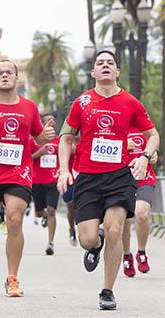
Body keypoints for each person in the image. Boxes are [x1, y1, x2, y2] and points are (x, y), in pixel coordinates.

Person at [57, 50, 159, 310]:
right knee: (88, 239)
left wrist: (145, 156)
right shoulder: (81, 103)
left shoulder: (130, 102)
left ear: (116, 72)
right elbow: (66, 138)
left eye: (110, 63)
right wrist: (64, 169)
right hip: (88, 178)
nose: (105, 66)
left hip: (118, 177)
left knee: (116, 230)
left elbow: (153, 134)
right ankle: (96, 244)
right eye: (100, 63)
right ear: (93, 72)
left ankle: (107, 291)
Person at [0, 59, 55, 297]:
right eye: (0, 73)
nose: (5, 75)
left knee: (15, 218)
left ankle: (12, 278)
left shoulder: (29, 107)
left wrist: (45, 136)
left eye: (9, 72)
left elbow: (39, 138)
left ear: (16, 78)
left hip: (18, 172)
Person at [121, 127, 158, 277]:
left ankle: (141, 252)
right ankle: (126, 255)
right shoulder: (117, 123)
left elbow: (153, 144)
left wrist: (154, 155)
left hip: (145, 179)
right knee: (125, 221)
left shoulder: (145, 127)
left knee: (141, 214)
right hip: (123, 181)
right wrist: (123, 145)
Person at [30, 114, 60, 255]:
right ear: (42, 124)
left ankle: (51, 243)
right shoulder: (34, 141)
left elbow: (67, 156)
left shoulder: (59, 141)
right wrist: (38, 154)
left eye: (53, 120)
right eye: (48, 120)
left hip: (53, 180)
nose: (52, 122)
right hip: (37, 180)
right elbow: (26, 159)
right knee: (39, 212)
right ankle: (43, 217)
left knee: (52, 210)